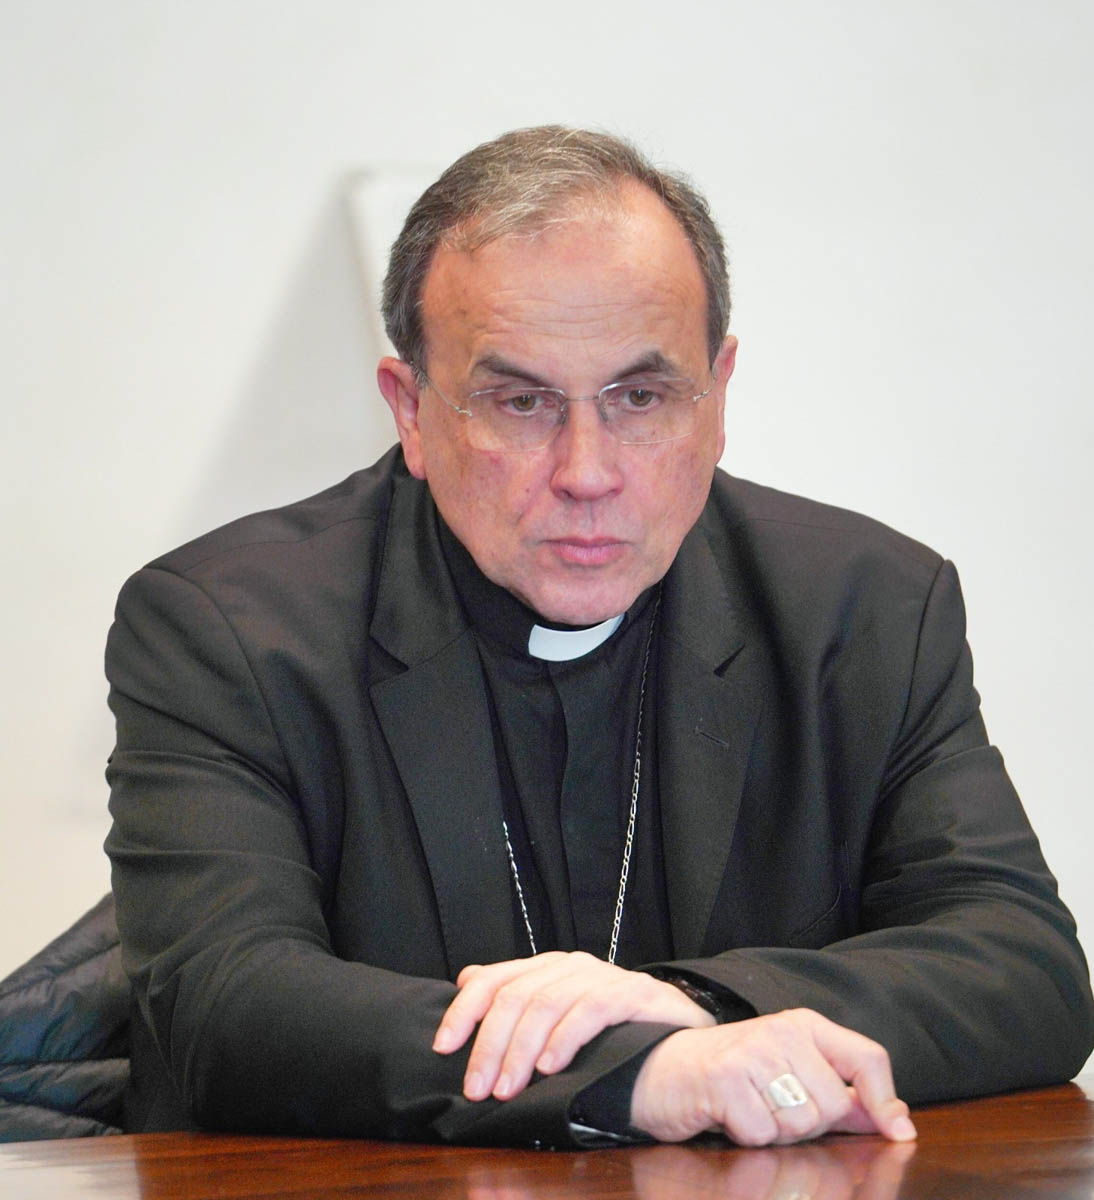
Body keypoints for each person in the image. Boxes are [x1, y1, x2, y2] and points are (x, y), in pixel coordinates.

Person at [104, 126, 1093, 1149]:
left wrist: (698, 1007)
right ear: (410, 411)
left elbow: (1022, 967)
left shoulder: (861, 611)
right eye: (520, 401)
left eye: (640, 397)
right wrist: (636, 1072)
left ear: (717, 396)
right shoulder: (228, 630)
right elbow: (224, 1009)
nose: (586, 472)